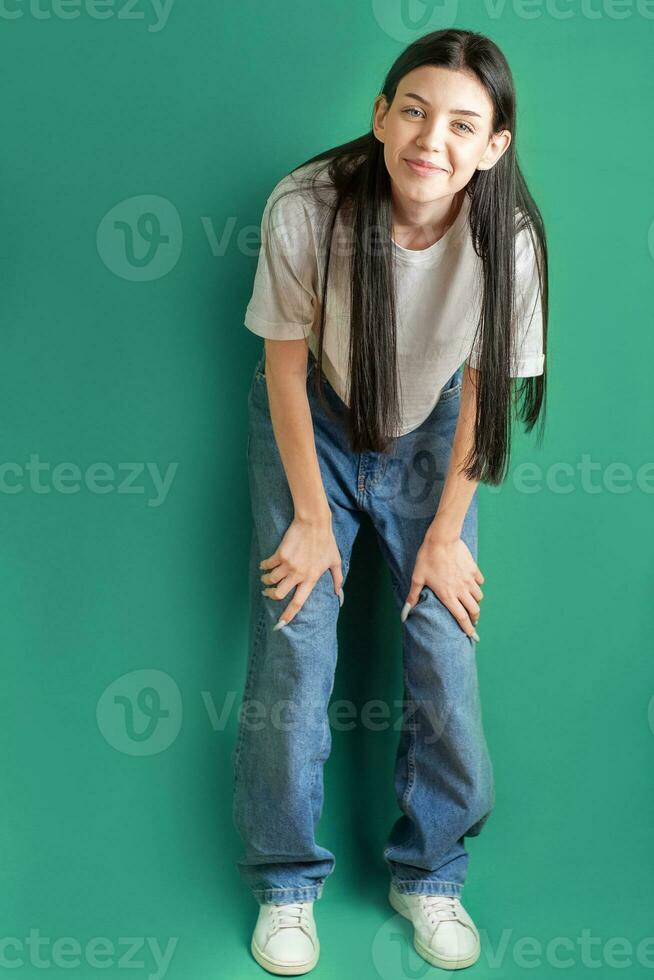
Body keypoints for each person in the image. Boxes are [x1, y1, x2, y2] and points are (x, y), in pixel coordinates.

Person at [233, 27, 547, 976]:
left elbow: (487, 396)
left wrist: (446, 534)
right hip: (313, 422)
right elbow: (282, 368)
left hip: (437, 435)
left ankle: (431, 872)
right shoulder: (307, 204)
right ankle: (287, 885)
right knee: (295, 643)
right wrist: (314, 518)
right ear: (379, 115)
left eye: (462, 124)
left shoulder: (511, 241)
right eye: (412, 110)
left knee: (446, 650)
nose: (430, 139)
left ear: (493, 145)